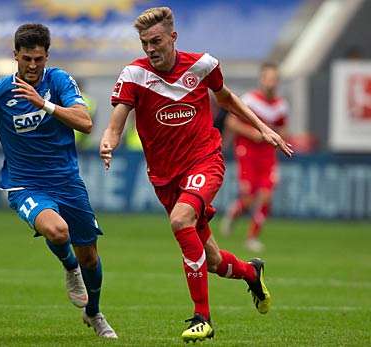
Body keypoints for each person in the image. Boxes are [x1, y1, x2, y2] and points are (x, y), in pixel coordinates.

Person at [100, 7, 292, 342]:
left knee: (180, 221)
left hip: (205, 161)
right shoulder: (134, 75)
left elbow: (227, 98)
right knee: (214, 260)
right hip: (165, 178)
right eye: (145, 42)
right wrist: (108, 141)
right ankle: (251, 272)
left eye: (156, 41)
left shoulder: (204, 65)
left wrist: (262, 129)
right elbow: (116, 121)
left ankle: (201, 317)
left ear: (173, 37)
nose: (150, 48)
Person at [0, 23, 117, 339]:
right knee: (58, 231)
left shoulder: (58, 81)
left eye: (38, 59)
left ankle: (94, 312)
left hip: (67, 181)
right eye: (26, 58)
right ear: (15, 55)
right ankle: (70, 268)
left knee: (91, 256)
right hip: (24, 183)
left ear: (47, 56)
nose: (32, 66)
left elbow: (85, 122)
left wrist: (44, 104)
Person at [221, 63, 289, 252]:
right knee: (249, 198)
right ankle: (234, 212)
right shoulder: (249, 100)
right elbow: (231, 122)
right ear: (261, 79)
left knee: (266, 196)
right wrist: (252, 133)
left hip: (267, 154)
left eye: (274, 79)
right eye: (268, 78)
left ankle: (252, 237)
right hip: (248, 152)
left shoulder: (281, 105)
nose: (271, 82)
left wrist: (281, 141)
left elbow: (283, 129)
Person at [73, 78, 98, 150]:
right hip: (85, 141)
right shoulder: (90, 101)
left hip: (70, 139)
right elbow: (93, 121)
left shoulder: (68, 100)